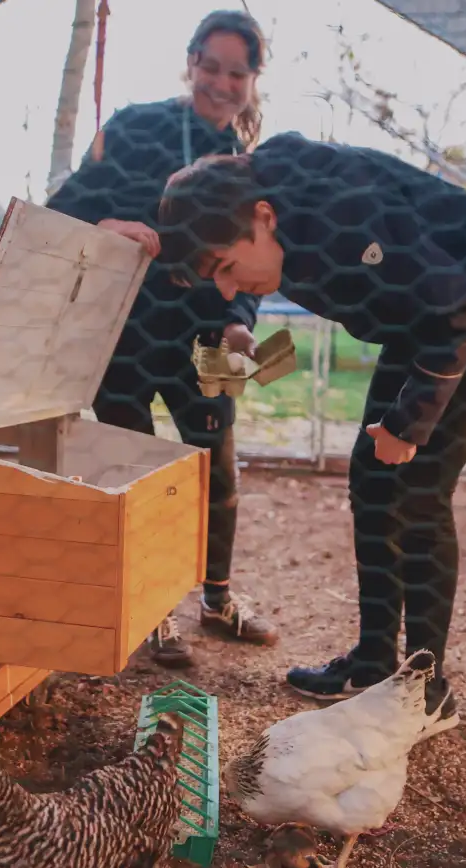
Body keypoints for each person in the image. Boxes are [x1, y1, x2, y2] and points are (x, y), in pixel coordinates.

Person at [157, 132, 466, 733]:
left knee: (419, 488)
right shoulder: (264, 208)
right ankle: (371, 659)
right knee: (371, 473)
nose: (229, 290)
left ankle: (426, 686)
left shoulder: (342, 216)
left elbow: (463, 311)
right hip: (426, 310)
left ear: (264, 217)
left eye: (229, 268)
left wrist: (408, 425)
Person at [46, 10, 278, 666]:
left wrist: (243, 321)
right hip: (125, 327)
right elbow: (62, 205)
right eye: (210, 67)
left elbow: (257, 255)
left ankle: (218, 600)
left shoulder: (250, 161)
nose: (221, 83)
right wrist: (109, 222)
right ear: (190, 62)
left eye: (237, 72)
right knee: (135, 472)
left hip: (209, 333)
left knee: (220, 471)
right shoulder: (133, 126)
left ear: (254, 79)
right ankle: (151, 614)